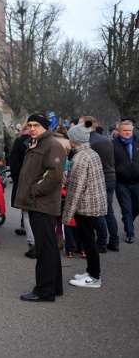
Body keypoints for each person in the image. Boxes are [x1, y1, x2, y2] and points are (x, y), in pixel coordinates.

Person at [16, 113, 66, 302]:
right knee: (49, 247)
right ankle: (54, 287)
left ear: (45, 126)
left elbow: (54, 175)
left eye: (36, 125)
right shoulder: (37, 142)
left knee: (45, 249)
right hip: (38, 203)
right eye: (30, 125)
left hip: (42, 204)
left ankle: (44, 291)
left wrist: (33, 191)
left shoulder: (51, 145)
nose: (32, 128)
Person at [62, 121, 107, 288]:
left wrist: (67, 215)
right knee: (89, 240)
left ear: (74, 139)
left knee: (88, 241)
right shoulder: (91, 153)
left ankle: (94, 277)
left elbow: (75, 190)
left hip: (85, 206)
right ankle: (91, 271)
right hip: (93, 204)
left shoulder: (79, 158)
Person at [79, 116, 119, 252]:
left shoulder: (89, 142)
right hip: (111, 177)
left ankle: (101, 243)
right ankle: (114, 240)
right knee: (109, 211)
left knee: (99, 212)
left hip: (100, 179)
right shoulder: (106, 140)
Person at [10, 123, 36, 258]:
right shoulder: (47, 142)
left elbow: (13, 161)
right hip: (39, 182)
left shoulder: (20, 141)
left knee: (26, 214)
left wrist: (16, 179)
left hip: (23, 181)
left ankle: (33, 244)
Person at [111, 121, 139, 244]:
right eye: (125, 130)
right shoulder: (113, 144)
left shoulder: (137, 141)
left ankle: (127, 220)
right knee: (126, 208)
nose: (128, 133)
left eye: (129, 130)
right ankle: (130, 233)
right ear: (119, 131)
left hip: (137, 181)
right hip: (121, 182)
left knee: (136, 206)